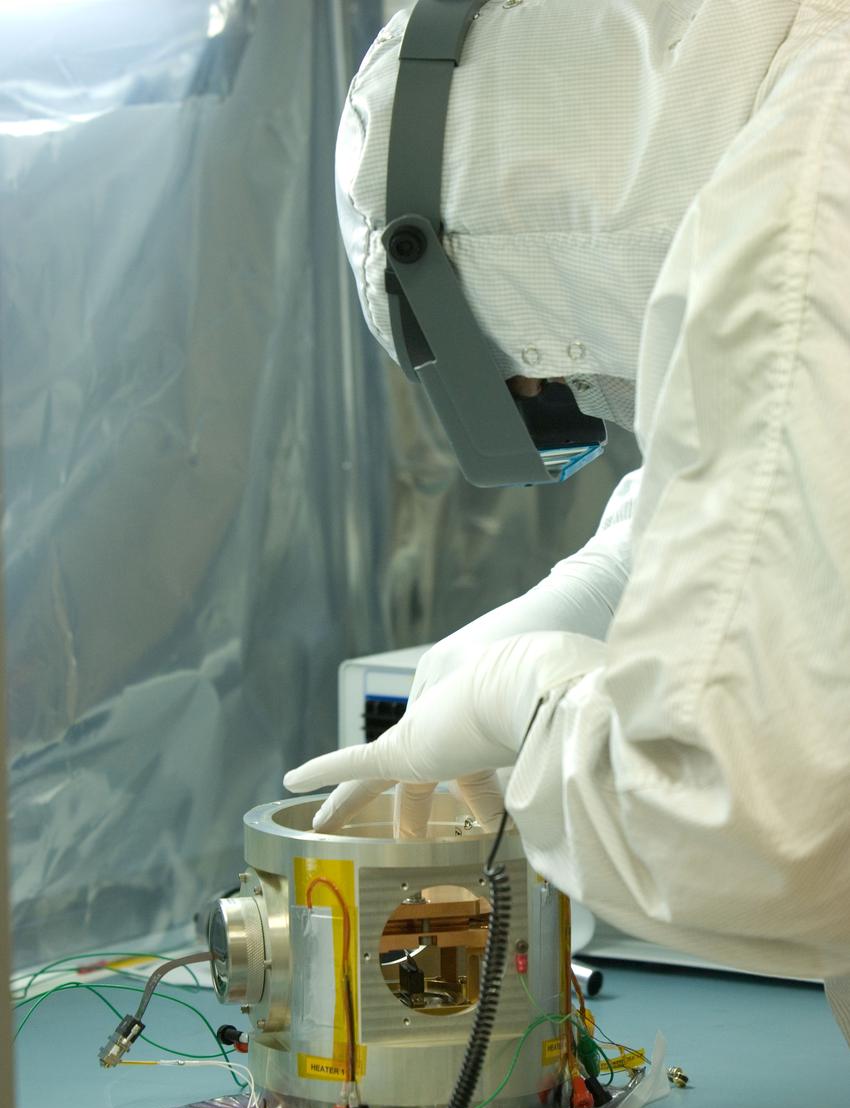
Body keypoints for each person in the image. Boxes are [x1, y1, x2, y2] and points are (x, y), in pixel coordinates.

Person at [285, 0, 850, 1044]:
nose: (586, 393)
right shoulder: (804, 105)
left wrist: (528, 697)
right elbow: (794, 494)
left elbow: (751, 835)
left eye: (552, 383)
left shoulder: (802, 203)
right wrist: (600, 588)